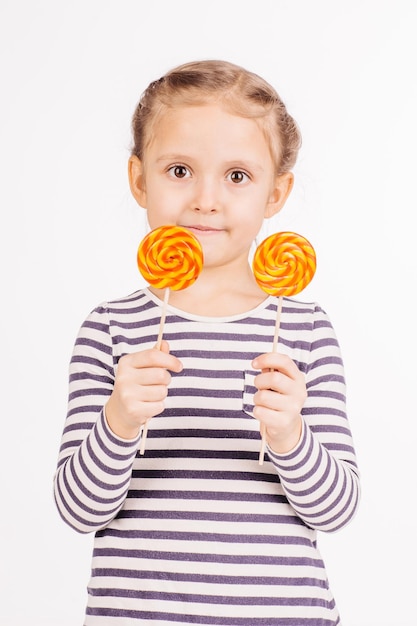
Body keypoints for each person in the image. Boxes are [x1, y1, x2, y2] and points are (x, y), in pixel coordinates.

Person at [54, 60, 360, 625]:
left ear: (277, 193)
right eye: (178, 170)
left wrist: (291, 435)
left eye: (237, 176)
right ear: (140, 179)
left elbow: (336, 510)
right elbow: (78, 509)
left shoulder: (305, 331)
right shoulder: (111, 328)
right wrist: (119, 419)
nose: (206, 199)